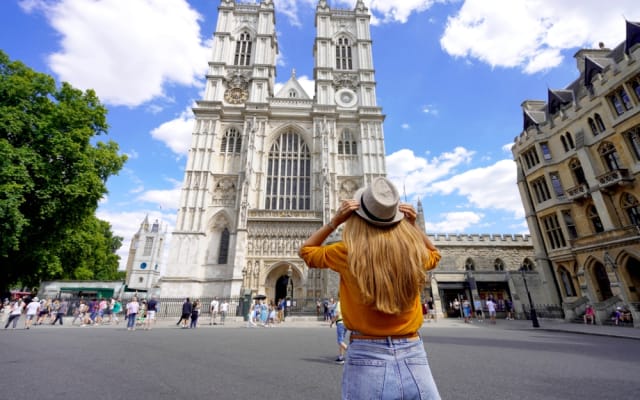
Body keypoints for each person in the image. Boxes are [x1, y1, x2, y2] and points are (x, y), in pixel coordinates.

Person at [299, 177, 442, 399]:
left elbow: (306, 252)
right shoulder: (413, 252)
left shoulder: (346, 252)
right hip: (413, 353)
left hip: (366, 354)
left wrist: (335, 221)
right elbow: (435, 254)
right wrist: (413, 227)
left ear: (357, 217)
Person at [332, 299, 348, 365]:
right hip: (346, 323)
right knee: (342, 340)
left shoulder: (339, 303)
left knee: (340, 341)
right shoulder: (346, 303)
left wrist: (332, 321)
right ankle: (340, 357)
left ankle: (352, 352)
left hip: (340, 323)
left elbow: (337, 314)